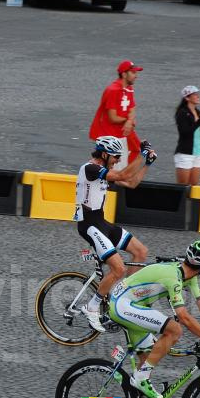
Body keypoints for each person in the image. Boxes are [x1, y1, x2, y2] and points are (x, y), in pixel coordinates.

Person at [108, 240, 200, 398]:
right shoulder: (173, 278)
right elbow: (184, 318)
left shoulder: (187, 274)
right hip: (122, 305)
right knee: (174, 330)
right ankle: (139, 379)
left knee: (148, 360)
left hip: (132, 304)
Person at [76, 136, 158, 332]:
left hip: (102, 223)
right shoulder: (90, 169)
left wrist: (146, 163)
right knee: (119, 269)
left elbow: (131, 182)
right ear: (104, 154)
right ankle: (92, 307)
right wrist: (141, 153)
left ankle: (125, 299)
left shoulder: (105, 171)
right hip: (89, 225)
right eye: (114, 157)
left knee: (140, 252)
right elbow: (122, 175)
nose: (116, 161)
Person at [89, 60, 144, 170]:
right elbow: (112, 118)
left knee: (132, 158)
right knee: (115, 170)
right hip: (110, 139)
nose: (136, 76)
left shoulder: (128, 88)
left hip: (121, 135)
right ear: (124, 74)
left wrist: (129, 121)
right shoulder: (112, 90)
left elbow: (132, 108)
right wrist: (127, 121)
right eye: (133, 73)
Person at [174, 85, 200, 185]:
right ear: (187, 98)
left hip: (198, 154)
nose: (198, 96)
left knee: (194, 187)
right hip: (185, 155)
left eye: (197, 94)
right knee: (183, 188)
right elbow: (185, 133)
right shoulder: (182, 113)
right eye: (195, 94)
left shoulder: (197, 112)